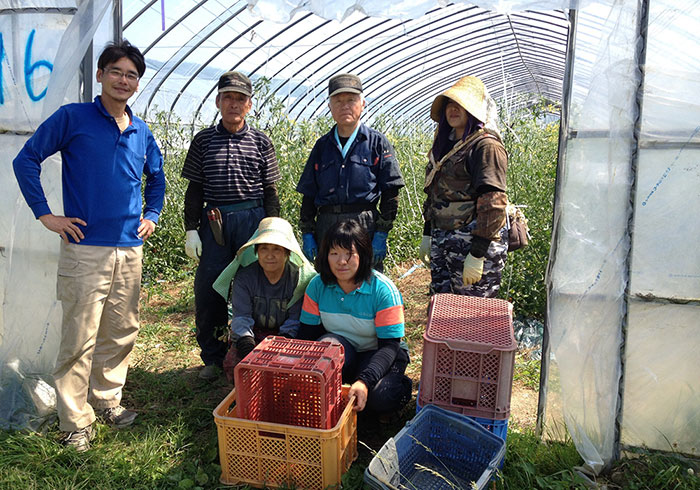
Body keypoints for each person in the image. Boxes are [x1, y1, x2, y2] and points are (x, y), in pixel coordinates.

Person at [12, 41, 166, 451]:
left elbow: (158, 178)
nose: (123, 80)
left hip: (129, 248)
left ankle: (106, 399)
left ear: (137, 83)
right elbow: (26, 160)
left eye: (131, 75)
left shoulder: (141, 130)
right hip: (86, 248)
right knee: (79, 335)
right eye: (116, 71)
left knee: (121, 329)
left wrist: (152, 214)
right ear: (100, 75)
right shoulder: (73, 118)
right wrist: (46, 215)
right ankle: (74, 420)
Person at [181, 71, 281, 381]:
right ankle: (212, 356)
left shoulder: (261, 142)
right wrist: (191, 228)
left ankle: (260, 349)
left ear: (250, 105)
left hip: (253, 220)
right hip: (216, 223)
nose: (234, 104)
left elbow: (270, 193)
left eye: (240, 99)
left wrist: (272, 230)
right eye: (228, 98)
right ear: (217, 101)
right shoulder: (203, 141)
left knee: (259, 286)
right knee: (210, 288)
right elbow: (195, 190)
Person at [298, 220, 412, 415]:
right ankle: (346, 380)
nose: (341, 261)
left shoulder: (383, 290)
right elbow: (308, 335)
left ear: (363, 255)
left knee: (380, 398)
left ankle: (400, 386)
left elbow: (389, 346)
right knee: (326, 344)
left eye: (349, 254)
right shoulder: (317, 286)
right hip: (343, 352)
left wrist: (364, 381)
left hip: (379, 352)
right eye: (334, 253)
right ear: (326, 256)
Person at [296, 73, 404, 271]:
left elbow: (391, 191)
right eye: (338, 101)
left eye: (351, 100)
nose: (344, 105)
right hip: (327, 224)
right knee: (329, 280)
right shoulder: (322, 146)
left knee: (365, 280)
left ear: (363, 104)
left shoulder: (377, 143)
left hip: (364, 223)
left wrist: (381, 232)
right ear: (330, 107)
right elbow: (309, 193)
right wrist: (308, 232)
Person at [419, 75, 509, 297]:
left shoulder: (485, 146)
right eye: (450, 104)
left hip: (471, 242)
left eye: (461, 104)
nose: (453, 109)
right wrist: (428, 233)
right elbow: (434, 194)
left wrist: (477, 253)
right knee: (441, 304)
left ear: (474, 110)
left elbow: (494, 201)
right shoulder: (445, 147)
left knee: (472, 313)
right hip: (444, 238)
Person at [211, 217, 316, 382]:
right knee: (236, 366)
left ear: (287, 252)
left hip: (286, 336)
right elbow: (241, 316)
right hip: (253, 335)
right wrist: (247, 346)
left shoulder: (297, 279)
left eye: (276, 249)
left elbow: (295, 319)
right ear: (256, 252)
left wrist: (281, 346)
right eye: (264, 249)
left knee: (289, 372)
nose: (270, 256)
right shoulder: (245, 277)